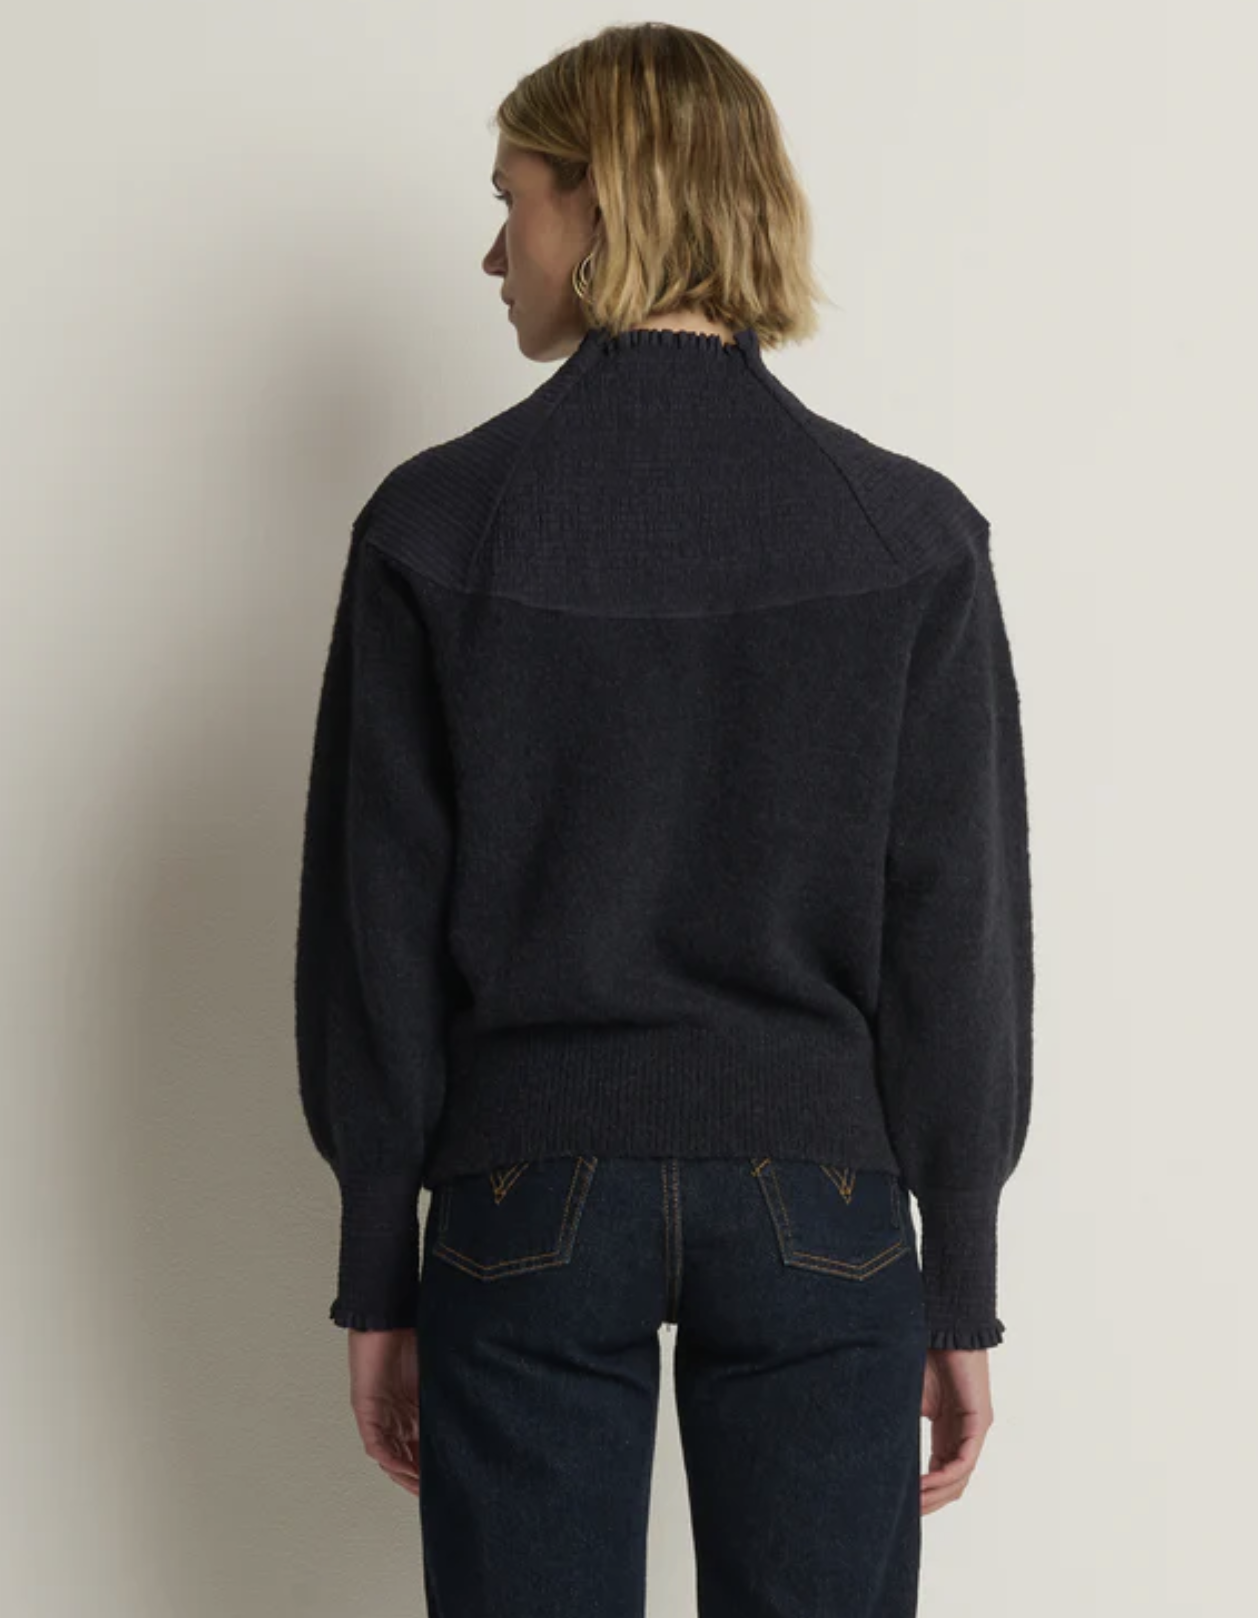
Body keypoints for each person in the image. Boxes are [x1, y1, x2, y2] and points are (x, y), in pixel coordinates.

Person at [293, 22, 1034, 1618]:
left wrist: (377, 1267)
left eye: (514, 200)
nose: (494, 250)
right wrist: (957, 1280)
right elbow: (954, 935)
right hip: (824, 1204)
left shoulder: (435, 527)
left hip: (521, 1197)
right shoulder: (908, 536)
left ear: (606, 201)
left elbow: (377, 934)